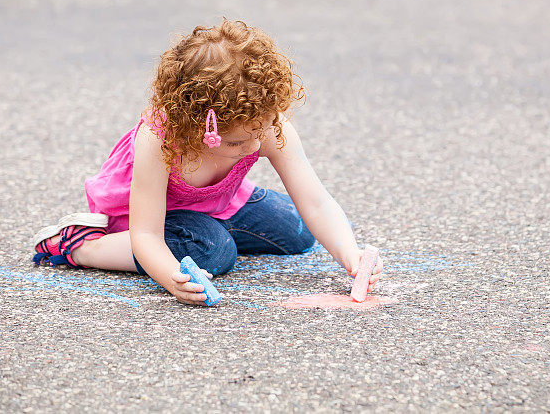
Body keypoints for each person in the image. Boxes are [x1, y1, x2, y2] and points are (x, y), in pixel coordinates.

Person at [31, 18, 384, 306]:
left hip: (218, 203)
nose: (255, 147)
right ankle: (80, 245)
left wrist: (351, 257)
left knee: (299, 231)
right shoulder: (159, 139)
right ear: (196, 127)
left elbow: (317, 203)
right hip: (142, 217)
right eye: (237, 142)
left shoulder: (262, 126)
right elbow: (147, 234)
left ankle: (209, 228)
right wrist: (172, 279)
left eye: (262, 131)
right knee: (213, 253)